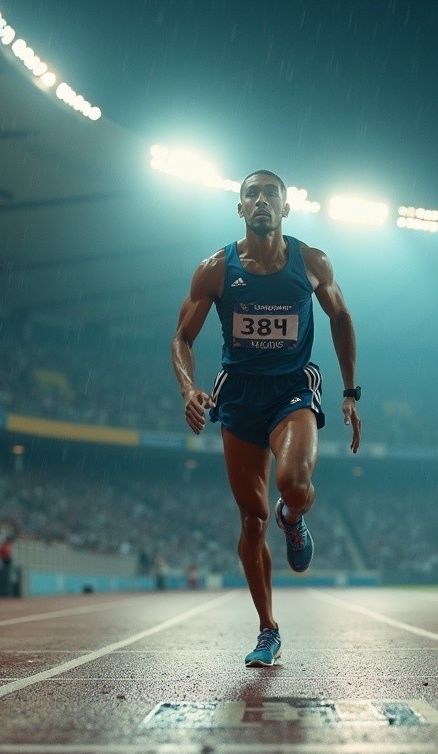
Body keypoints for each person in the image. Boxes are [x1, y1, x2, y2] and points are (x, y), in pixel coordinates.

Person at [172, 169, 361, 668]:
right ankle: (267, 629)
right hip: (237, 398)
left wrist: (350, 393)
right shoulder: (214, 270)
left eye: (270, 194)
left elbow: (341, 318)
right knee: (251, 520)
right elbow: (181, 339)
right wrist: (189, 387)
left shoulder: (311, 262)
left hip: (292, 388)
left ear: (285, 207)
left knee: (294, 484)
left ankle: (294, 518)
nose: (261, 201)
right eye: (251, 194)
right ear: (239, 209)